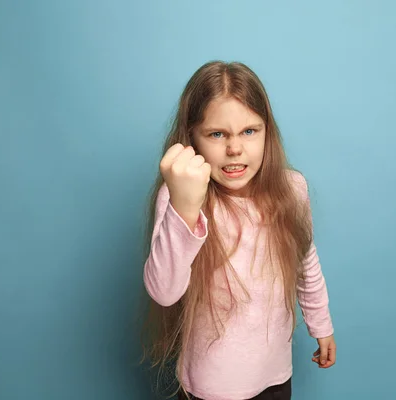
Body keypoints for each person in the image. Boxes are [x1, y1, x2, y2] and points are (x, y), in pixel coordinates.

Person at [140, 60, 335, 400]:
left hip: (275, 375)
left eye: (249, 131)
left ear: (266, 132)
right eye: (217, 134)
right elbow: (164, 291)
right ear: (192, 138)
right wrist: (185, 208)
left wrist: (321, 324)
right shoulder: (180, 200)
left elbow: (305, 260)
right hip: (213, 386)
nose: (234, 148)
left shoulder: (292, 189)